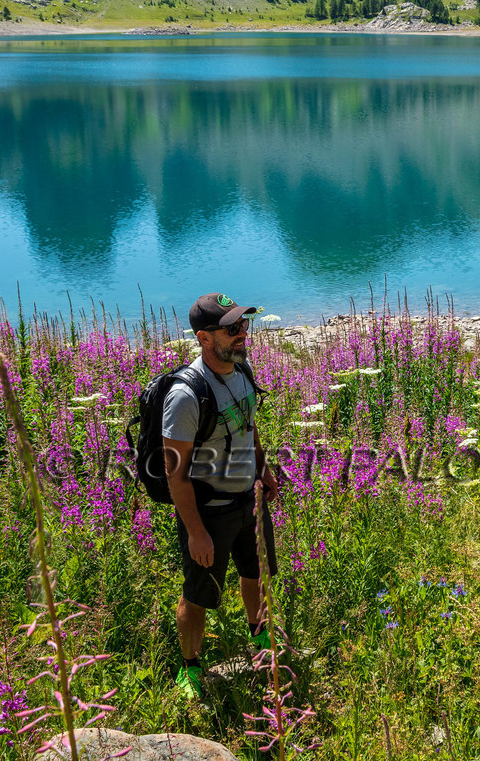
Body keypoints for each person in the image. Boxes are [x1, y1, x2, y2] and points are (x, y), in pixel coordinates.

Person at [163, 291, 280, 698]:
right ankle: (191, 668)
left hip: (248, 498)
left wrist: (262, 469)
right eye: (231, 328)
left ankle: (260, 636)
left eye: (244, 325)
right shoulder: (185, 396)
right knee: (198, 595)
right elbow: (174, 474)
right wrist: (196, 531)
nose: (242, 333)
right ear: (204, 338)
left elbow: (248, 427)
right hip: (209, 510)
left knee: (257, 573)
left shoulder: (241, 369)